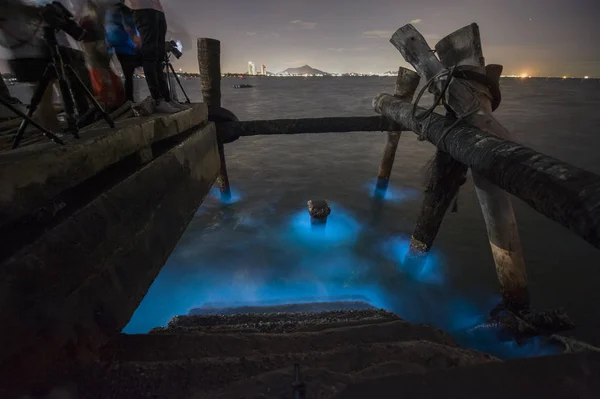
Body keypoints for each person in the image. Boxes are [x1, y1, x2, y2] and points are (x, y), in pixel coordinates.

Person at [123, 0, 184, 114]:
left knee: (159, 56)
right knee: (150, 55)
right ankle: (157, 100)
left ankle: (166, 99)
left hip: (158, 9)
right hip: (142, 9)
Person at [105, 2, 141, 103]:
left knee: (128, 76)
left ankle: (127, 100)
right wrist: (136, 43)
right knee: (130, 75)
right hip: (127, 48)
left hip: (117, 48)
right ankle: (130, 100)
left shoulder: (109, 11)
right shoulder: (123, 10)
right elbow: (130, 27)